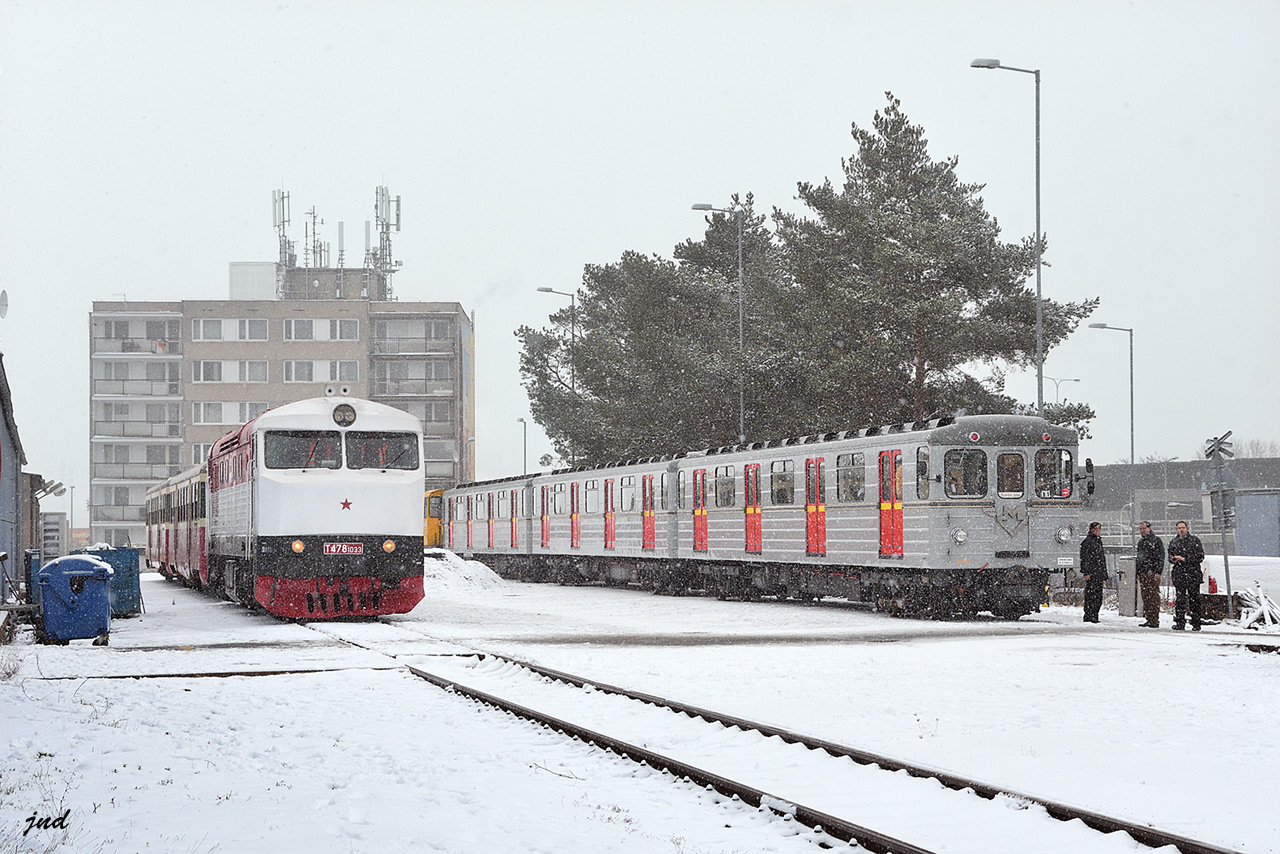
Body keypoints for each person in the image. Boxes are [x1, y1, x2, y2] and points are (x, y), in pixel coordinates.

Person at [1168, 520, 1205, 631]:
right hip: (1179, 575)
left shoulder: (1194, 541)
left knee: (1194, 600)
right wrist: (1173, 559)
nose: (1181, 530)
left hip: (1192, 574)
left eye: (1183, 527)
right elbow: (1170, 556)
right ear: (1176, 530)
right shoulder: (1174, 542)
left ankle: (1196, 623)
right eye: (1179, 528)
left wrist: (1184, 559)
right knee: (1180, 600)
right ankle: (1180, 622)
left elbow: (1200, 557)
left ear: (1187, 528)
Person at [1135, 521, 1165, 628]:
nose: (1142, 531)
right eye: (1141, 529)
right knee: (1146, 596)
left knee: (1153, 596)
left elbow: (1160, 557)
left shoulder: (1156, 541)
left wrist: (1158, 571)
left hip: (1152, 573)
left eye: (1144, 528)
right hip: (1143, 573)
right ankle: (1148, 617)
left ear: (1149, 528)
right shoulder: (1141, 542)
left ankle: (1154, 619)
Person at [1079, 522, 1107, 623]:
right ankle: (1090, 615)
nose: (1097, 531)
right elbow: (1085, 559)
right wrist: (1086, 572)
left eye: (1099, 529)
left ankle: (1094, 615)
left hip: (1098, 573)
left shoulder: (1098, 541)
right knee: (1091, 596)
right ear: (1091, 529)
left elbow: (1101, 558)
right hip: (1092, 573)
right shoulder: (1088, 542)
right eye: (1095, 529)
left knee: (1098, 596)